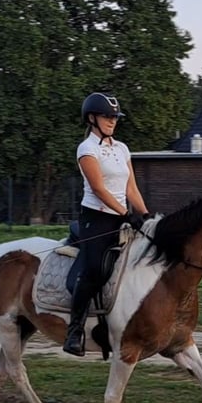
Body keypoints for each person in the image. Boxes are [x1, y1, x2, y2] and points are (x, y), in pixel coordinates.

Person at [63, 92, 150, 357]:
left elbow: (131, 187)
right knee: (94, 269)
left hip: (122, 214)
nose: (112, 121)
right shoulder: (86, 149)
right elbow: (99, 189)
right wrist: (125, 214)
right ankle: (74, 331)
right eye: (107, 116)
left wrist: (145, 216)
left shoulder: (122, 148)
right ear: (92, 118)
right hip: (96, 218)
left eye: (114, 117)